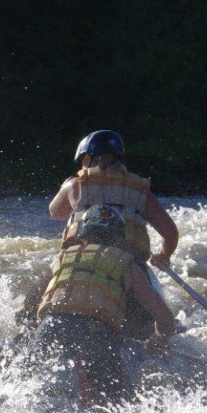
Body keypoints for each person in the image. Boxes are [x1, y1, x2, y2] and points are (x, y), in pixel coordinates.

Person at [15, 205, 176, 411]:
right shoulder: (127, 265)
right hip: (97, 334)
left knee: (21, 382)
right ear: (119, 239)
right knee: (112, 406)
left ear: (82, 236)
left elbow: (30, 301)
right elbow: (165, 319)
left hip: (51, 328)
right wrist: (158, 340)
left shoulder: (62, 258)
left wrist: (25, 319)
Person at [48, 130, 178, 340]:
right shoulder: (140, 190)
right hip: (129, 270)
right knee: (143, 331)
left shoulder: (74, 184)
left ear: (88, 159)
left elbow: (56, 212)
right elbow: (171, 234)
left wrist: (67, 187)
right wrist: (164, 256)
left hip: (78, 264)